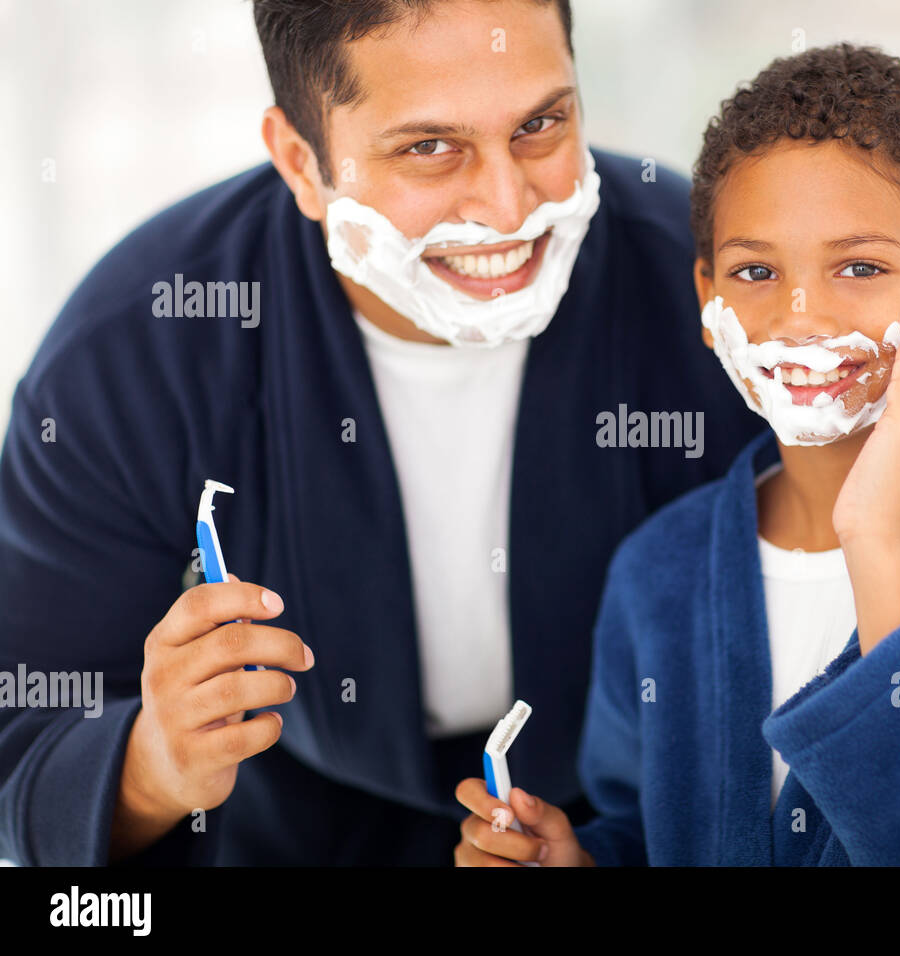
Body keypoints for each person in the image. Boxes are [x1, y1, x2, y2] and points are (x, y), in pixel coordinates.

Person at [0, 0, 763, 866]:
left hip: (647, 822)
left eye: (541, 124)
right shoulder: (139, 343)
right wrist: (152, 768)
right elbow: (22, 739)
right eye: (429, 147)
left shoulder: (724, 292)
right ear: (302, 162)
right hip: (283, 834)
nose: (506, 207)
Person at [453, 43, 900, 866]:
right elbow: (653, 832)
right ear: (708, 299)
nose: (802, 315)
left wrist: (877, 546)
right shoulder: (661, 570)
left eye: (859, 266)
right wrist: (577, 859)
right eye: (755, 270)